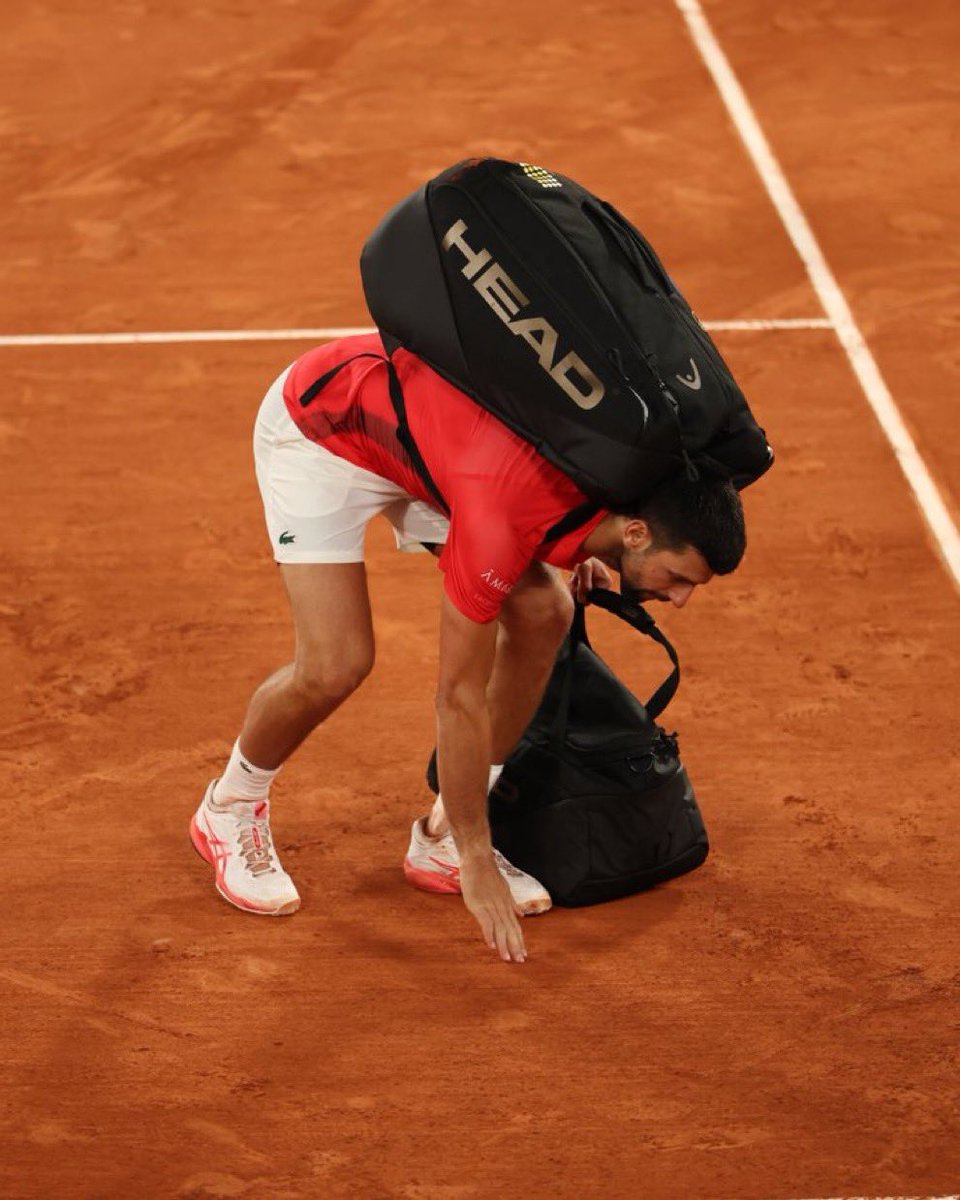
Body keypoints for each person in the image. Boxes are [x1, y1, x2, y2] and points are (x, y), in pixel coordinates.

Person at [190, 332, 746, 964]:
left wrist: (587, 550)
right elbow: (456, 696)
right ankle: (230, 807)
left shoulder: (624, 481)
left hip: (438, 446)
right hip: (325, 427)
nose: (678, 600)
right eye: (679, 579)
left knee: (544, 611)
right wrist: (481, 858)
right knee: (336, 662)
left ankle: (441, 835)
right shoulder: (496, 523)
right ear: (639, 531)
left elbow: (551, 505)